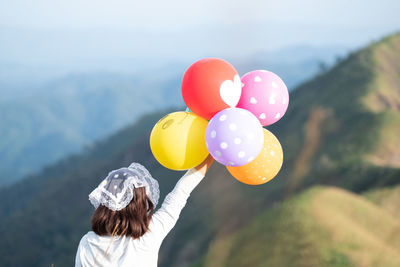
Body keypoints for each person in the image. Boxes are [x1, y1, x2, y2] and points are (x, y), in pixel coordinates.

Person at [75, 155, 214, 267]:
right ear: (138, 205)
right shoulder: (150, 234)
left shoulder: (87, 242)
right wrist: (212, 153)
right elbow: (180, 192)